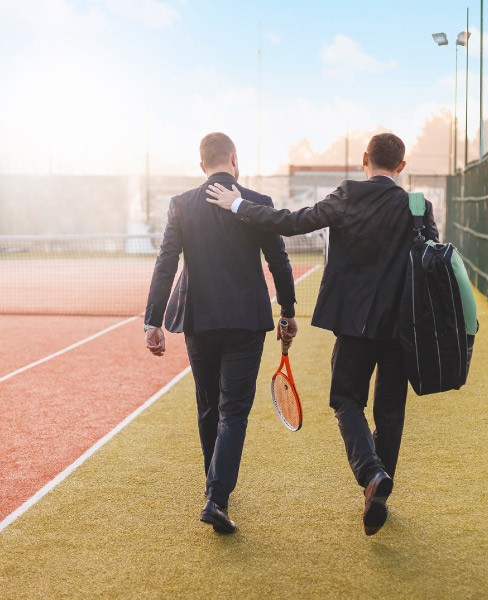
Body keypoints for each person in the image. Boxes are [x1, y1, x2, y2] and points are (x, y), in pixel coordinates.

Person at [206, 133, 439, 536]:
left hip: (354, 324)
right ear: (401, 166)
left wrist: (238, 205)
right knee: (390, 411)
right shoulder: (417, 205)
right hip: (402, 327)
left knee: (346, 401)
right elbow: (431, 258)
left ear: (365, 159)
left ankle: (371, 475)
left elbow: (293, 223)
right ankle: (376, 488)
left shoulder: (348, 193)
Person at [144, 132, 297, 534]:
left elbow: (166, 264)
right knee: (234, 412)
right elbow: (278, 262)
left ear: (201, 165)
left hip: (198, 319)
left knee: (209, 405)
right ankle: (217, 496)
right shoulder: (257, 204)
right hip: (245, 320)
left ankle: (213, 486)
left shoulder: (182, 204)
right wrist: (288, 311)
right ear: (233, 159)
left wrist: (152, 321)